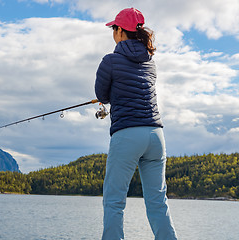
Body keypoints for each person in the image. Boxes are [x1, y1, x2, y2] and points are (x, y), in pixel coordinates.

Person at [95, 8, 178, 240]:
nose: (113, 33)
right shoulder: (151, 62)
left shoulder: (110, 60)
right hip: (155, 135)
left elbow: (102, 93)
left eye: (114, 28)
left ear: (121, 31)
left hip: (127, 135)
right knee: (158, 202)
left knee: (114, 201)